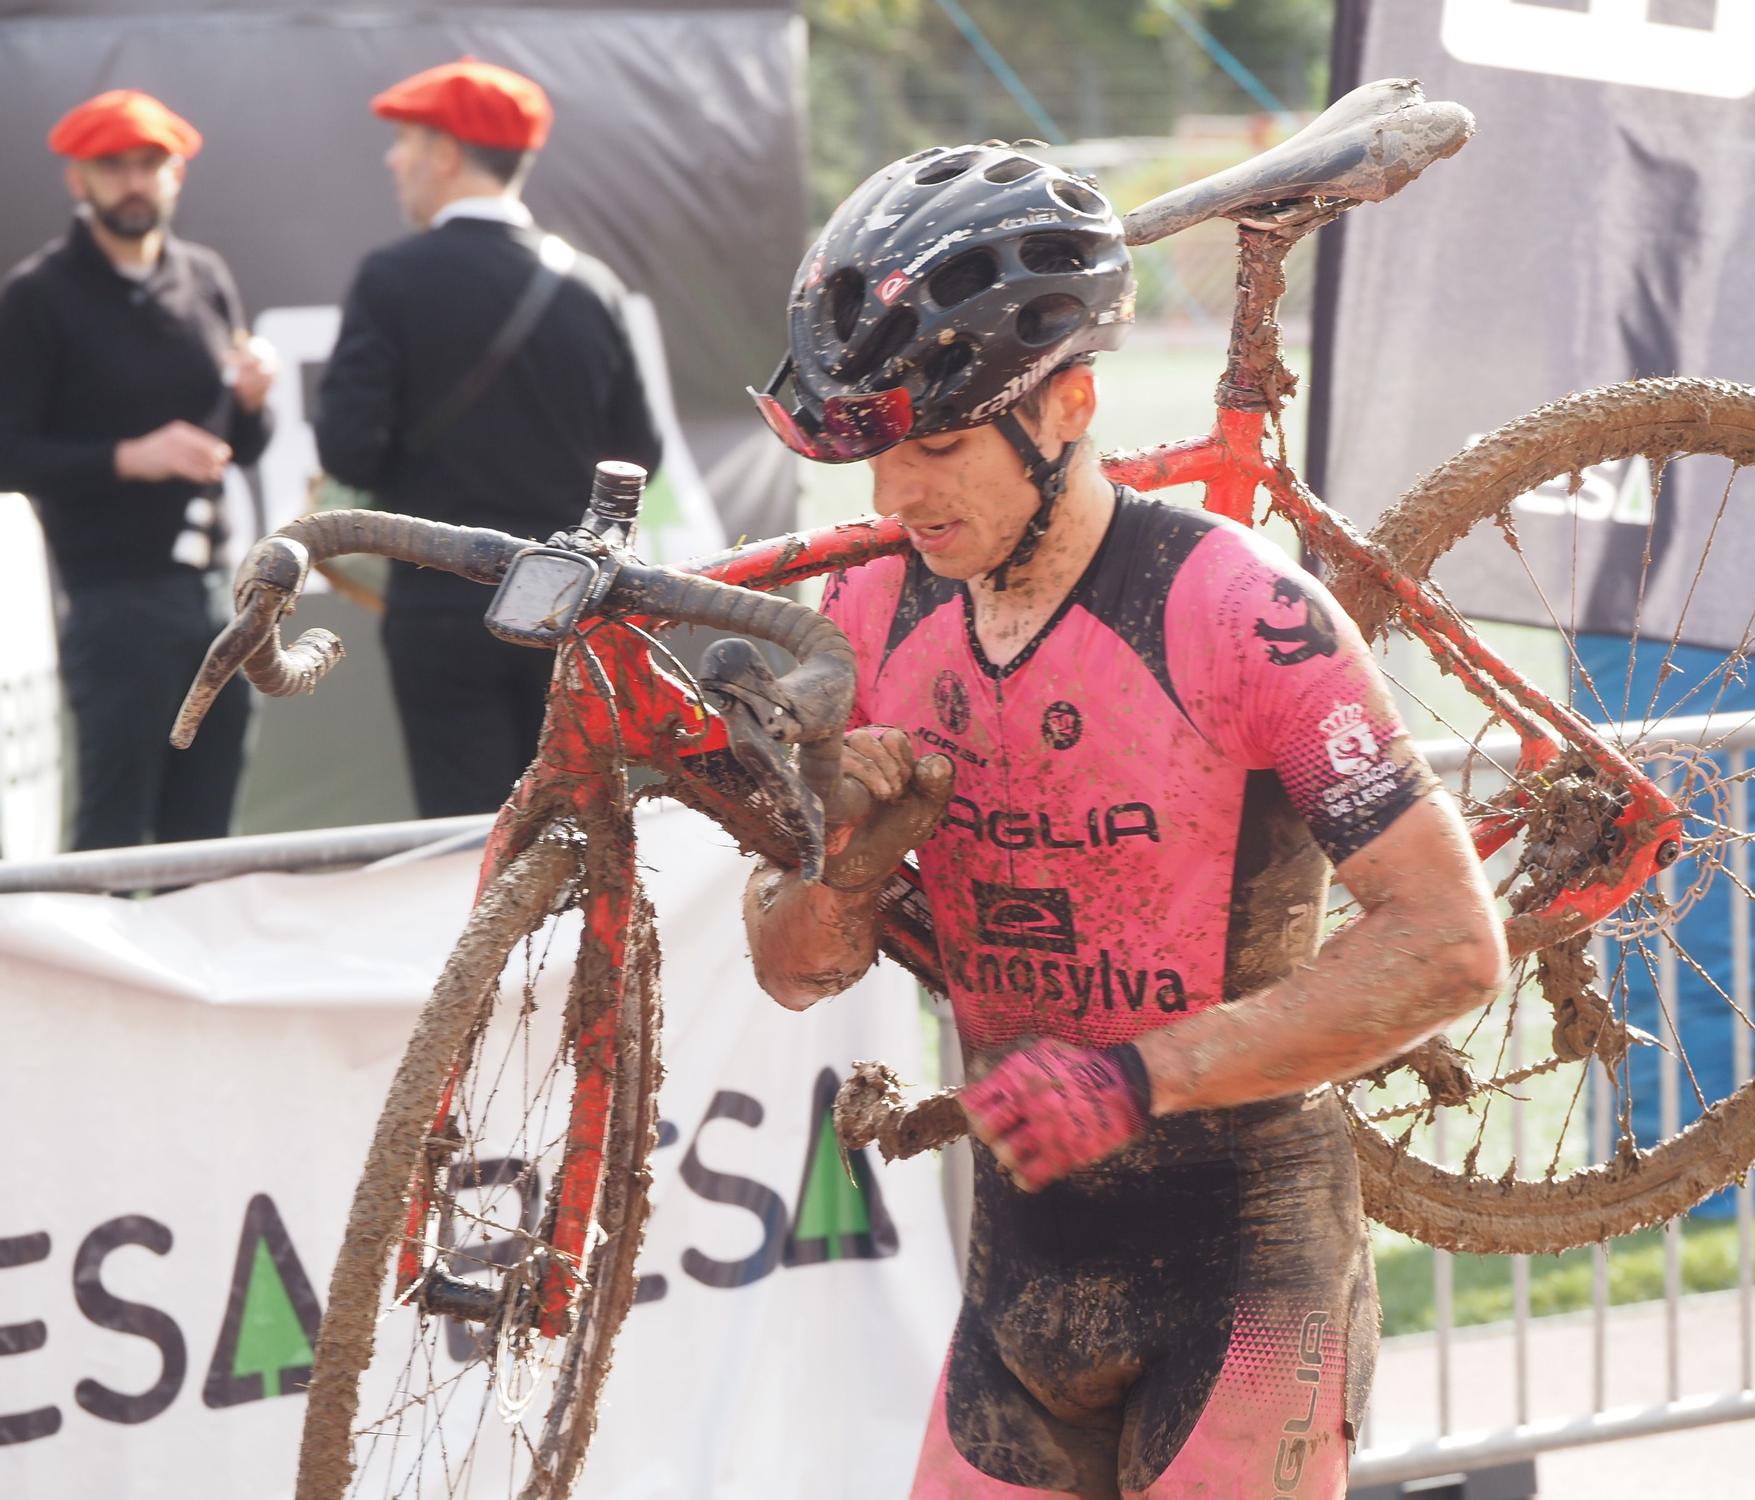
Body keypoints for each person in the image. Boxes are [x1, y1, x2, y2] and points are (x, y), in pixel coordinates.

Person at [740, 145, 1507, 1498]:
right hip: (1023, 1282)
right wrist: (849, 861)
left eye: (937, 445)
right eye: (875, 454)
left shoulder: (1239, 613)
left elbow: (1449, 945)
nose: (897, 497)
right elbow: (795, 969)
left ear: (1070, 404)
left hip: (1249, 1268)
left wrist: (1136, 1079)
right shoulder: (869, 618)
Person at [314, 58, 662, 818]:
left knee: (464, 841)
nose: (393, 159)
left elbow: (348, 453)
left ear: (445, 153)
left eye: (406, 141)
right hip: (571, 611)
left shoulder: (391, 278)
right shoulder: (591, 285)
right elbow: (642, 452)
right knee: (578, 830)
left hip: (440, 608)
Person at [0, 89, 275, 852]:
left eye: (148, 164)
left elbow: (243, 445)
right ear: (77, 180)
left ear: (175, 174)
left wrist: (254, 399)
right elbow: (8, 449)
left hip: (217, 593)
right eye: (111, 165)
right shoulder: (38, 295)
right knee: (114, 833)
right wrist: (130, 457)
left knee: (208, 832)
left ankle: (206, 972)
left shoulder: (206, 275)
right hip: (111, 596)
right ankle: (98, 978)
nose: (132, 181)